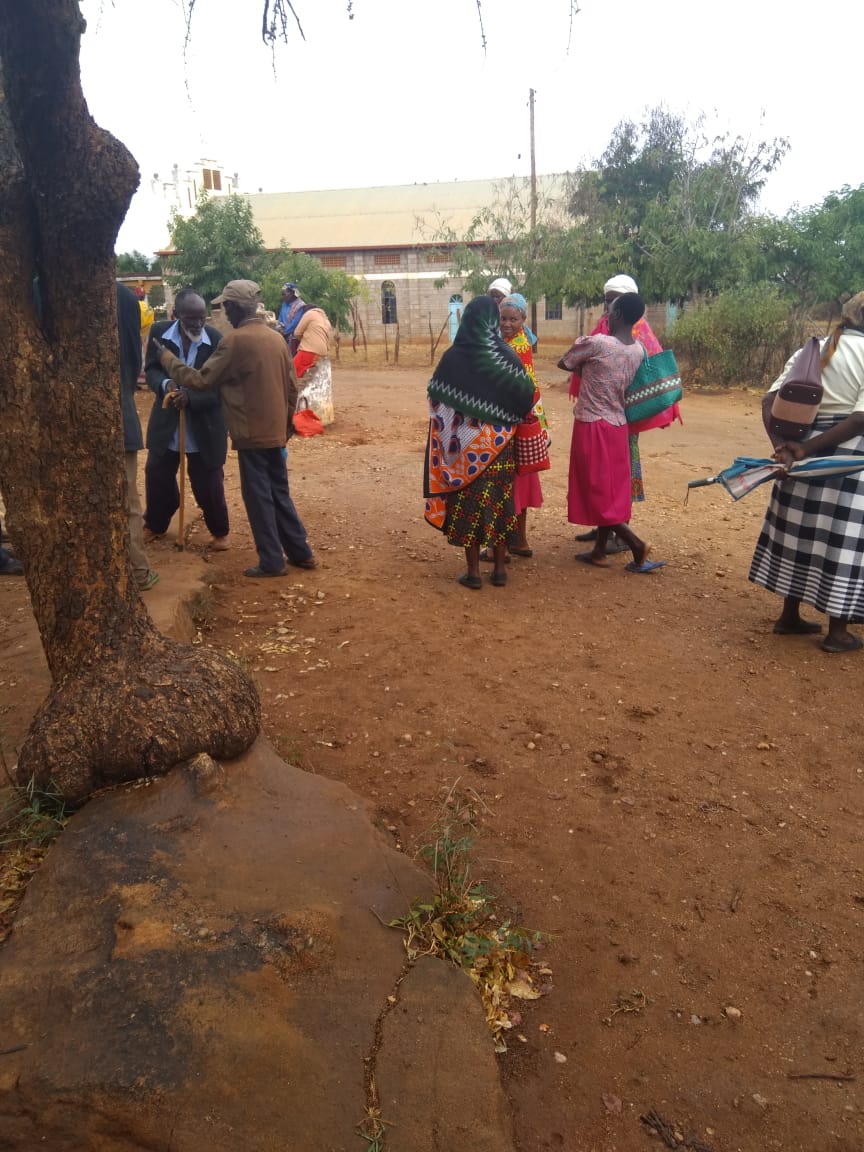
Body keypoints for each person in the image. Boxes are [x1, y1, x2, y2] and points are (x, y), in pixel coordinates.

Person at [153, 279, 316, 578]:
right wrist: (286, 426)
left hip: (250, 433)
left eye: (226, 307)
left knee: (258, 497)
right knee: (279, 493)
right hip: (275, 432)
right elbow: (293, 387)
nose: (225, 313)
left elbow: (200, 380)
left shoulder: (234, 341)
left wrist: (167, 358)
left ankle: (272, 561)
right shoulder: (276, 339)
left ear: (235, 307)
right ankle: (300, 552)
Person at [750, 292, 864, 653]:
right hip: (846, 460)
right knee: (841, 541)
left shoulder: (811, 349)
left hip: (797, 453)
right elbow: (860, 419)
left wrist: (784, 449)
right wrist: (807, 450)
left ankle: (789, 616)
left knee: (797, 534)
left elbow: (769, 401)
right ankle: (837, 632)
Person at [424, 295, 535, 590]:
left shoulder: (453, 357)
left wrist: (460, 420)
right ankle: (499, 570)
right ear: (492, 321)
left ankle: (473, 573)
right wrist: (503, 416)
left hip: (463, 449)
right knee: (501, 504)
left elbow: (436, 396)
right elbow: (527, 395)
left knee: (467, 506)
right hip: (501, 446)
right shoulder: (507, 357)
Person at [570, 273, 679, 553]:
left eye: (614, 301)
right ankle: (603, 528)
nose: (608, 306)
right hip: (613, 415)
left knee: (616, 476)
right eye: (606, 300)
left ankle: (621, 531)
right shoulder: (608, 328)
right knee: (605, 477)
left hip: (621, 415)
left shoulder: (639, 336)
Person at [559, 293, 666, 574]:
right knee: (610, 489)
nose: (607, 312)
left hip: (592, 424)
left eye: (610, 308)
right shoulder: (639, 350)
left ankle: (637, 544)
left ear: (616, 315)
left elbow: (565, 362)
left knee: (594, 490)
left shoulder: (597, 343)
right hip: (618, 425)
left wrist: (586, 368)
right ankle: (598, 551)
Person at [143, 289, 230, 550]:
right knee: (156, 472)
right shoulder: (159, 333)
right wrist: (166, 385)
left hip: (205, 425)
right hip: (168, 421)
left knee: (208, 482)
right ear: (176, 314)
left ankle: (220, 531)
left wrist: (192, 398)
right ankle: (156, 523)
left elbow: (221, 386)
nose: (198, 323)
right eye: (191, 318)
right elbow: (152, 370)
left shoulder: (216, 340)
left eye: (201, 317)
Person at [480, 292, 548, 560]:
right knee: (520, 480)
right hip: (526, 419)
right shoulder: (520, 341)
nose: (507, 324)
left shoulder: (514, 347)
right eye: (503, 318)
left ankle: (502, 545)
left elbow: (513, 387)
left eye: (513, 319)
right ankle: (519, 540)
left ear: (523, 319)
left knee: (506, 484)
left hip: (511, 423)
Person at [117, 282, 159, 591]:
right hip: (119, 413)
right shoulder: (122, 296)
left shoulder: (36, 287)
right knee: (128, 499)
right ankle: (139, 572)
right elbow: (133, 358)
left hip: (60, 422)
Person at [292, 304, 332, 379]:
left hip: (310, 351)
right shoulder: (325, 319)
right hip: (323, 354)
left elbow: (297, 333)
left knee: (291, 371)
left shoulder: (309, 313)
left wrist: (304, 339)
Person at [277, 283, 305, 348]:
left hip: (294, 338)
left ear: (292, 293)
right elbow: (280, 319)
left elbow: (295, 324)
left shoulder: (300, 306)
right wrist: (279, 328)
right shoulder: (284, 304)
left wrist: (285, 331)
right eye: (282, 294)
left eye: (284, 294)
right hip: (282, 335)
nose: (282, 296)